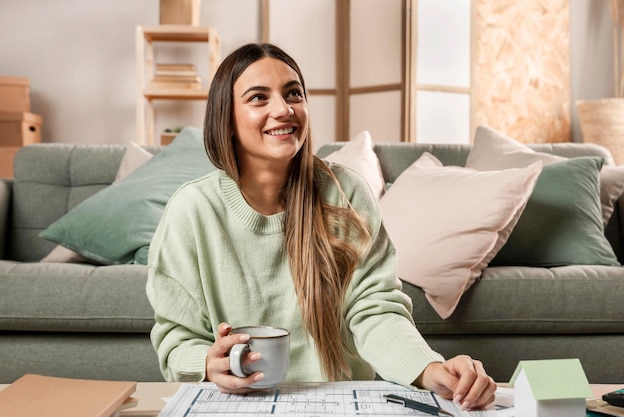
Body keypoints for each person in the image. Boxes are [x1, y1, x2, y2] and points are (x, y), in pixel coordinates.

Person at [146, 42, 496, 409]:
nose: (283, 109)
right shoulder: (191, 210)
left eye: (293, 93)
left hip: (341, 402)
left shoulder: (346, 194)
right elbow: (176, 338)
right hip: (235, 403)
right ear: (227, 120)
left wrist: (429, 368)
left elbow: (374, 310)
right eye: (258, 98)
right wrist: (207, 362)